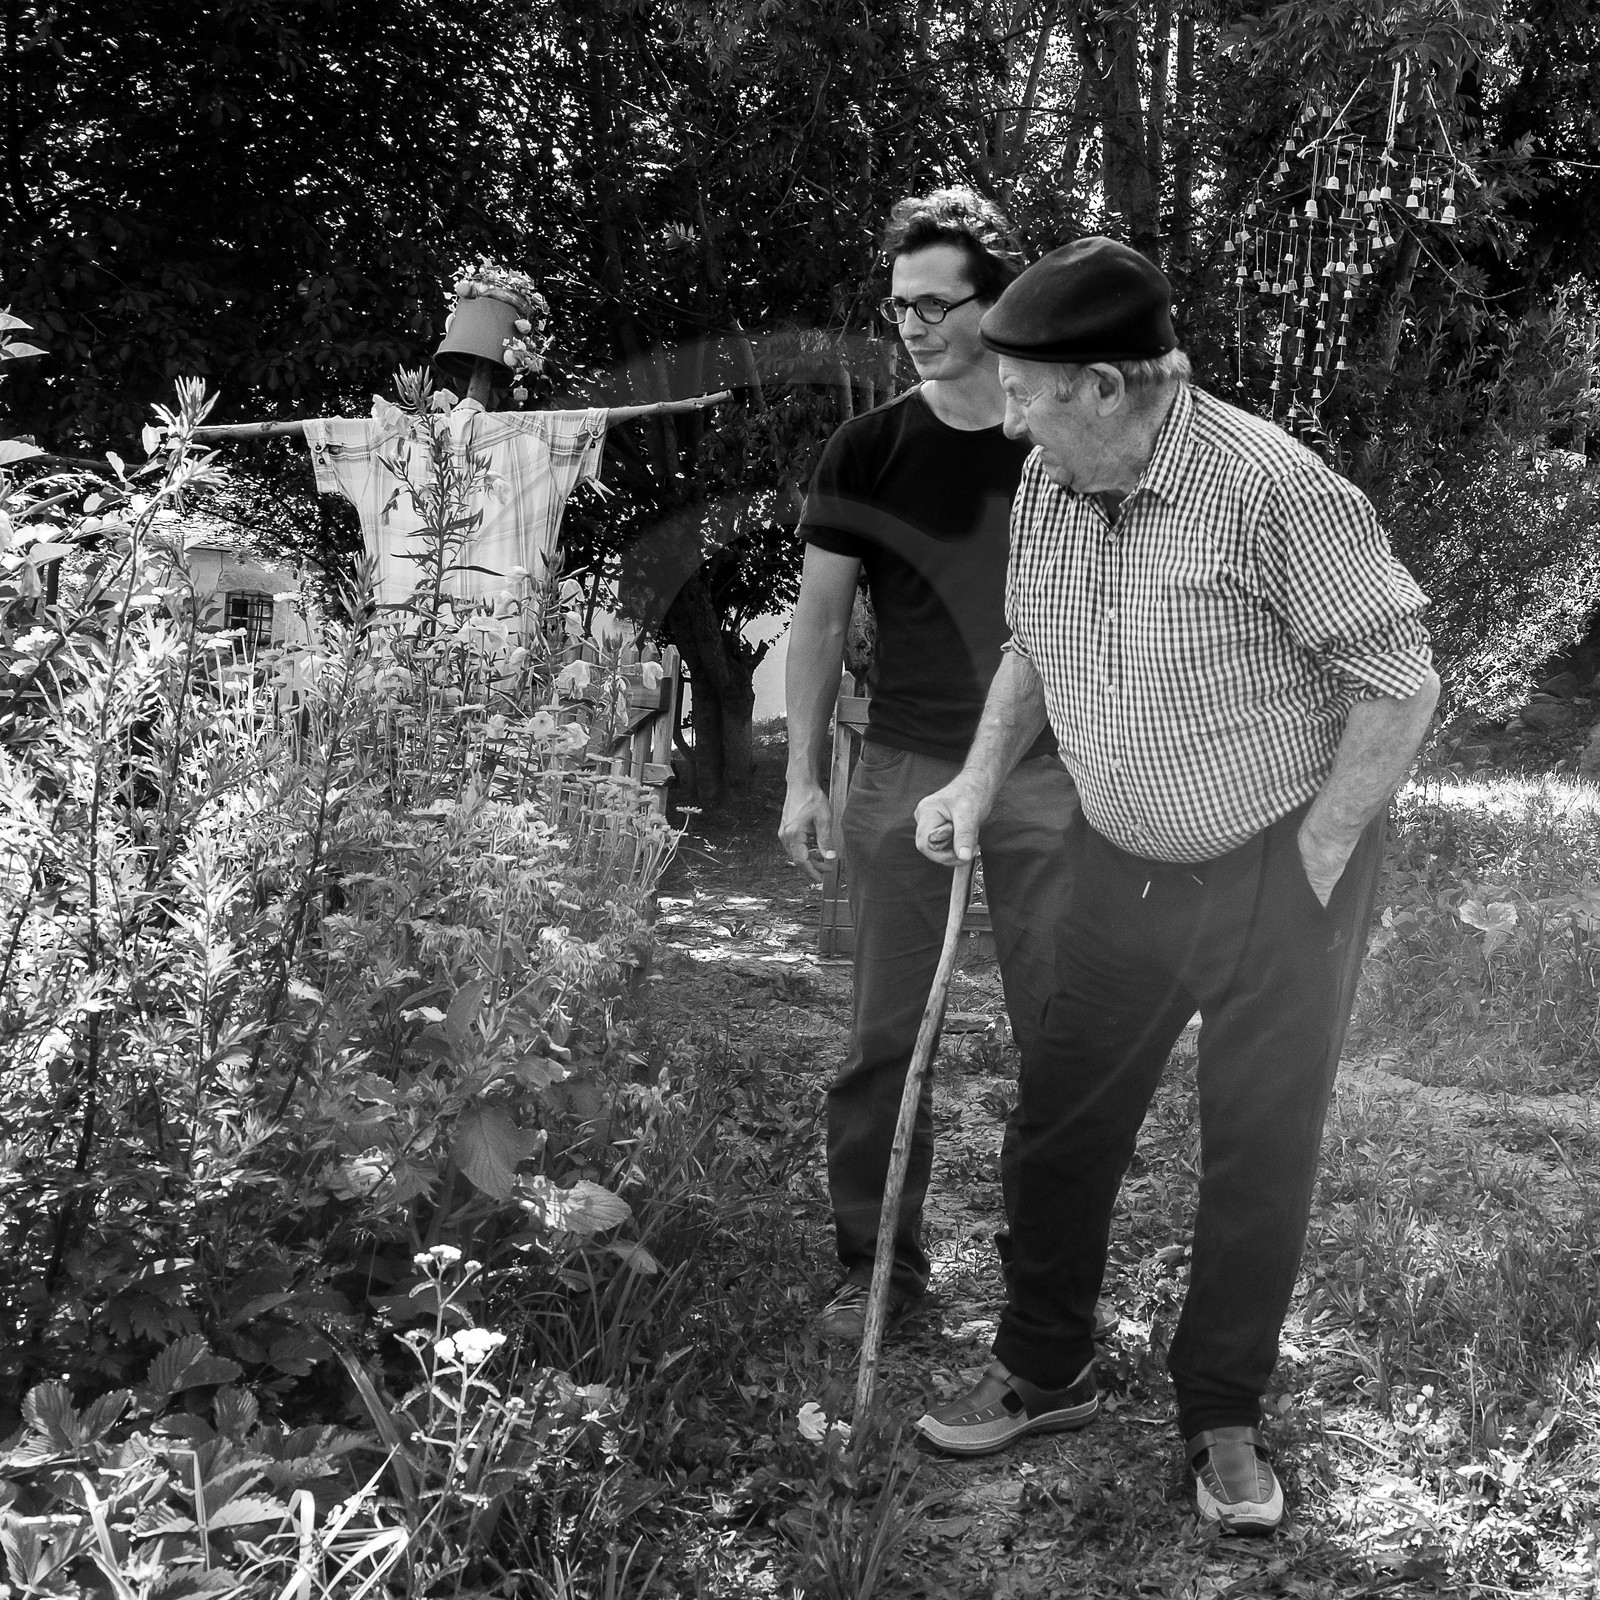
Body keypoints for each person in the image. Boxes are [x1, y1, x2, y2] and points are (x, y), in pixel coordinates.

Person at [910, 238, 1439, 1534]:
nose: (1010, 418)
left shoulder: (1273, 491)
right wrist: (977, 780)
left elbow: (1400, 682)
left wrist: (1314, 861)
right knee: (1058, 1122)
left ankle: (1222, 1414)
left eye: (1025, 392)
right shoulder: (1052, 481)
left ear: (1102, 387)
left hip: (1279, 867)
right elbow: (1033, 644)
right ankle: (1046, 1367)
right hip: (1119, 862)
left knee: (1258, 1147)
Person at [779, 189, 1083, 1341]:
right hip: (905, 770)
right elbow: (818, 623)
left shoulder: (1061, 441)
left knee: (1060, 1039)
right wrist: (803, 777)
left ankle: (1042, 1288)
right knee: (882, 1040)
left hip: (1052, 777)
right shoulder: (867, 448)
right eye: (899, 306)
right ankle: (877, 1273)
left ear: (994, 305)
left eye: (936, 304)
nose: (911, 325)